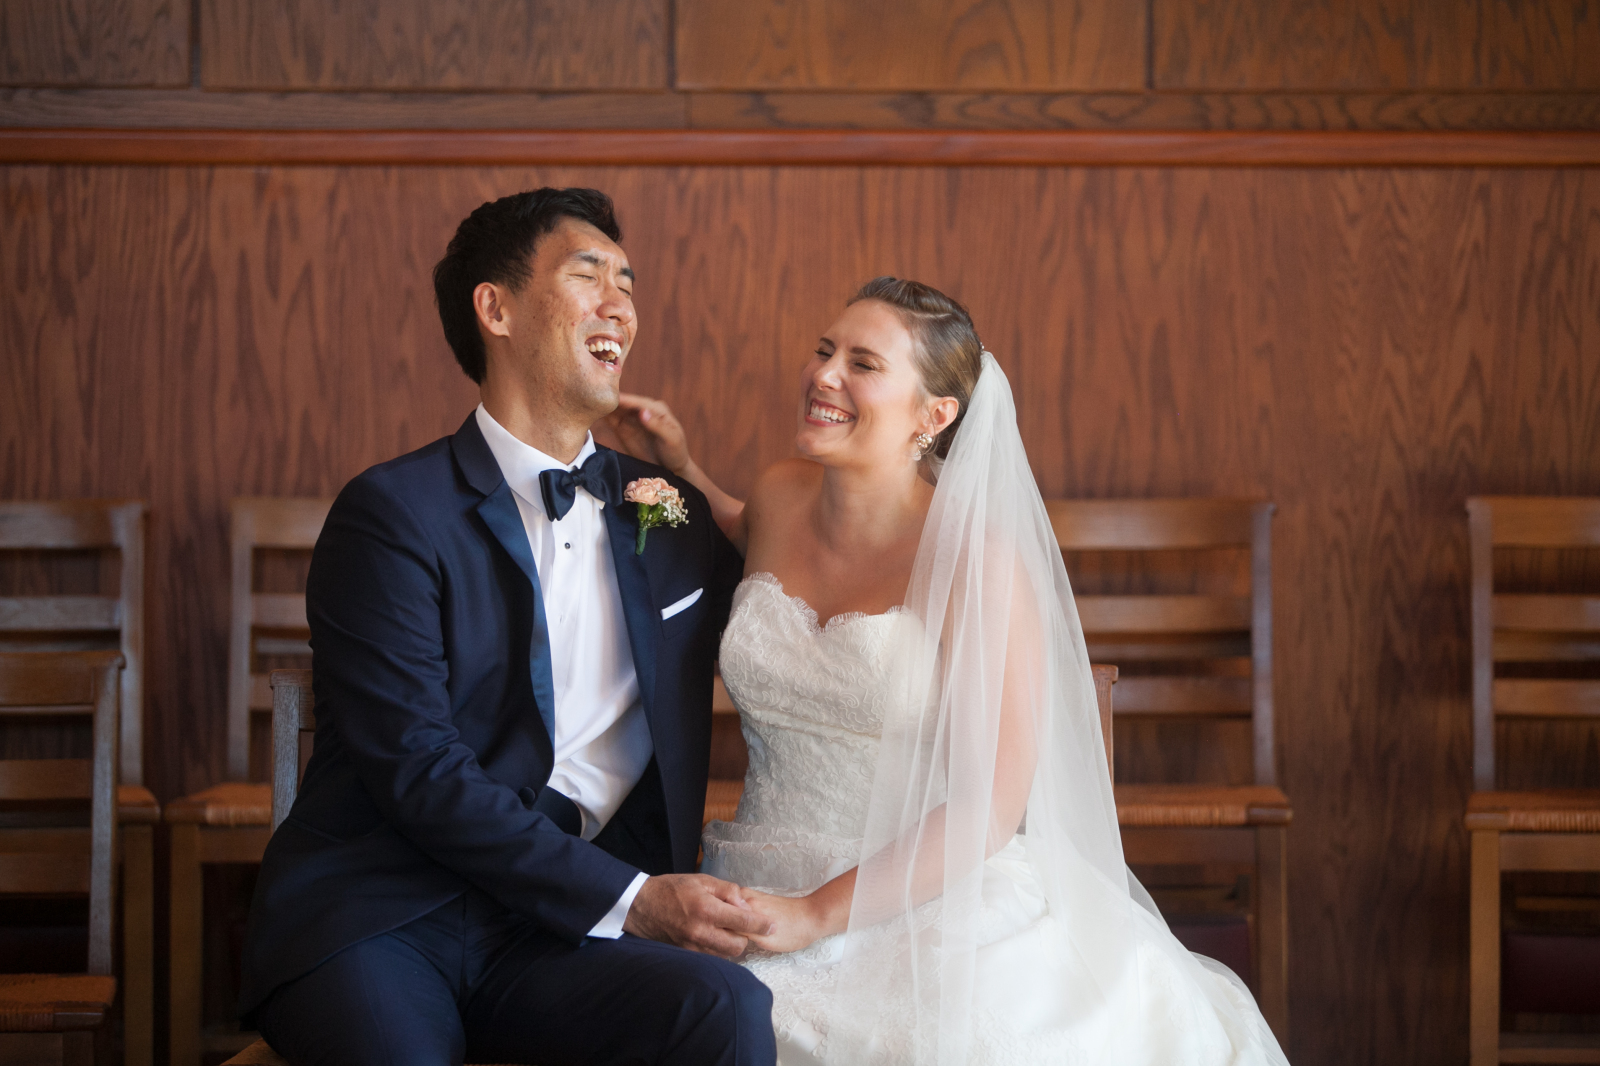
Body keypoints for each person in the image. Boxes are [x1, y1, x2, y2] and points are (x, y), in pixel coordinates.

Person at [599, 277, 1293, 1065]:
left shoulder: (978, 559)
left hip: (921, 893)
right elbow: (739, 532)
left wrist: (813, 915)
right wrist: (679, 462)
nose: (824, 375)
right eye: (825, 350)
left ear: (933, 416)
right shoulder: (779, 492)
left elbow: (991, 807)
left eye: (863, 363)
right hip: (750, 875)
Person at [239, 187, 777, 1066]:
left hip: (556, 934)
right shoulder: (391, 514)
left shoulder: (667, 513)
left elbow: (796, 607)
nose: (621, 305)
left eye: (628, 284)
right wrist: (637, 900)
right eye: (588, 275)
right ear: (495, 309)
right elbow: (419, 770)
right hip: (386, 914)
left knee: (726, 1010)